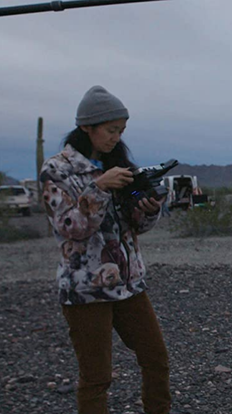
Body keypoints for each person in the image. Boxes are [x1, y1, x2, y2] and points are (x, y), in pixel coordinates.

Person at [40, 86, 170, 414]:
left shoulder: (118, 164)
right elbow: (71, 228)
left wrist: (149, 207)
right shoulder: (57, 170)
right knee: (97, 377)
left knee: (156, 360)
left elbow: (136, 228)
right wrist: (97, 188)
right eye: (111, 130)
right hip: (85, 290)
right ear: (87, 127)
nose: (116, 138)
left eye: (121, 131)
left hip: (129, 285)